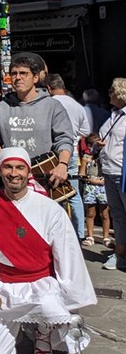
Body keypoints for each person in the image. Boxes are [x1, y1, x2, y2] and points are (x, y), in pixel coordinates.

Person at [0, 147, 97, 354]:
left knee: (52, 307)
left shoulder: (50, 209)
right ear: (0, 172)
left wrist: (73, 304)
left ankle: (43, 335)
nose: (14, 173)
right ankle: (9, 330)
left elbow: (67, 256)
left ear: (28, 172)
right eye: (8, 167)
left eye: (20, 167)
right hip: (5, 287)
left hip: (41, 284)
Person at [0, 55, 75, 189]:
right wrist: (7, 165)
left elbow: (64, 139)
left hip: (45, 179)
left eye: (23, 73)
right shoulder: (2, 107)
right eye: (14, 74)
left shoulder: (52, 106)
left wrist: (62, 165)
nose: (18, 77)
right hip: (12, 181)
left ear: (35, 78)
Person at [47, 74, 89, 240]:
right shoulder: (77, 105)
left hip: (54, 153)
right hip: (72, 151)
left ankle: (57, 232)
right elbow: (86, 131)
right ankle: (79, 233)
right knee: (74, 193)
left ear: (49, 88)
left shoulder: (50, 104)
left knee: (53, 193)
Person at [97, 77, 126, 271]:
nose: (108, 94)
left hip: (122, 173)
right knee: (117, 216)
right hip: (109, 171)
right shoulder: (113, 115)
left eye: (111, 91)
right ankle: (120, 254)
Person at [80, 133, 111, 249]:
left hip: (103, 187)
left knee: (105, 213)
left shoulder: (105, 158)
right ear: (89, 146)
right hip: (90, 187)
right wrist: (88, 177)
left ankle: (106, 237)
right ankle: (90, 236)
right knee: (90, 212)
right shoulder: (86, 158)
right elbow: (82, 174)